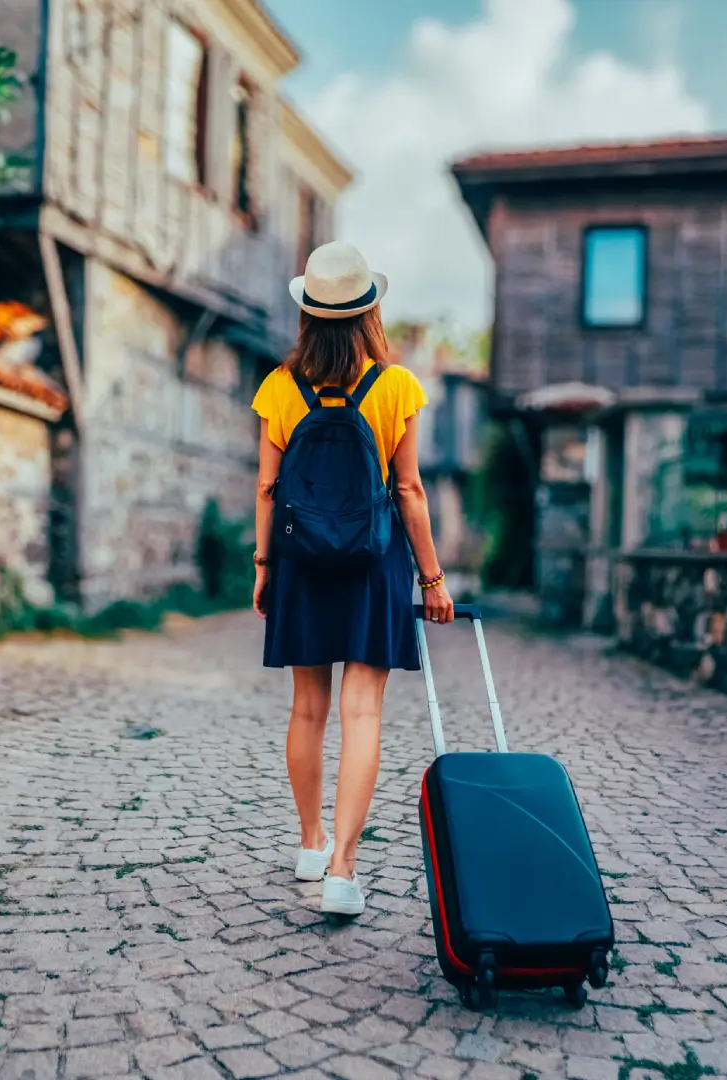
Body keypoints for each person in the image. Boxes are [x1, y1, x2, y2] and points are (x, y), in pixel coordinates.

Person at [250, 240, 454, 917]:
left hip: (302, 564)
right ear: (370, 311)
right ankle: (342, 868)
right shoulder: (396, 386)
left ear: (308, 312)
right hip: (373, 564)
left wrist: (262, 566)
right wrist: (431, 578)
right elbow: (412, 492)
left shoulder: (280, 388)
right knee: (363, 711)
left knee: (308, 708)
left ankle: (309, 842)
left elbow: (267, 488)